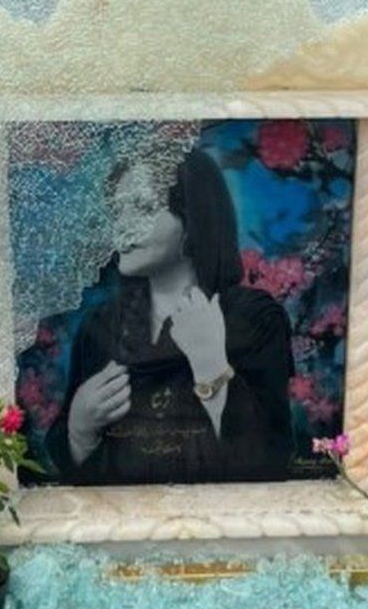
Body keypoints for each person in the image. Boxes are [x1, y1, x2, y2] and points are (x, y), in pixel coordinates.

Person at [45, 149, 294, 484]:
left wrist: (211, 365)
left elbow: (271, 457)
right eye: (118, 210)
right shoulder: (100, 327)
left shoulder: (254, 318)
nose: (123, 226)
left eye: (144, 208)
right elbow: (73, 473)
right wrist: (79, 432)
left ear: (193, 220)